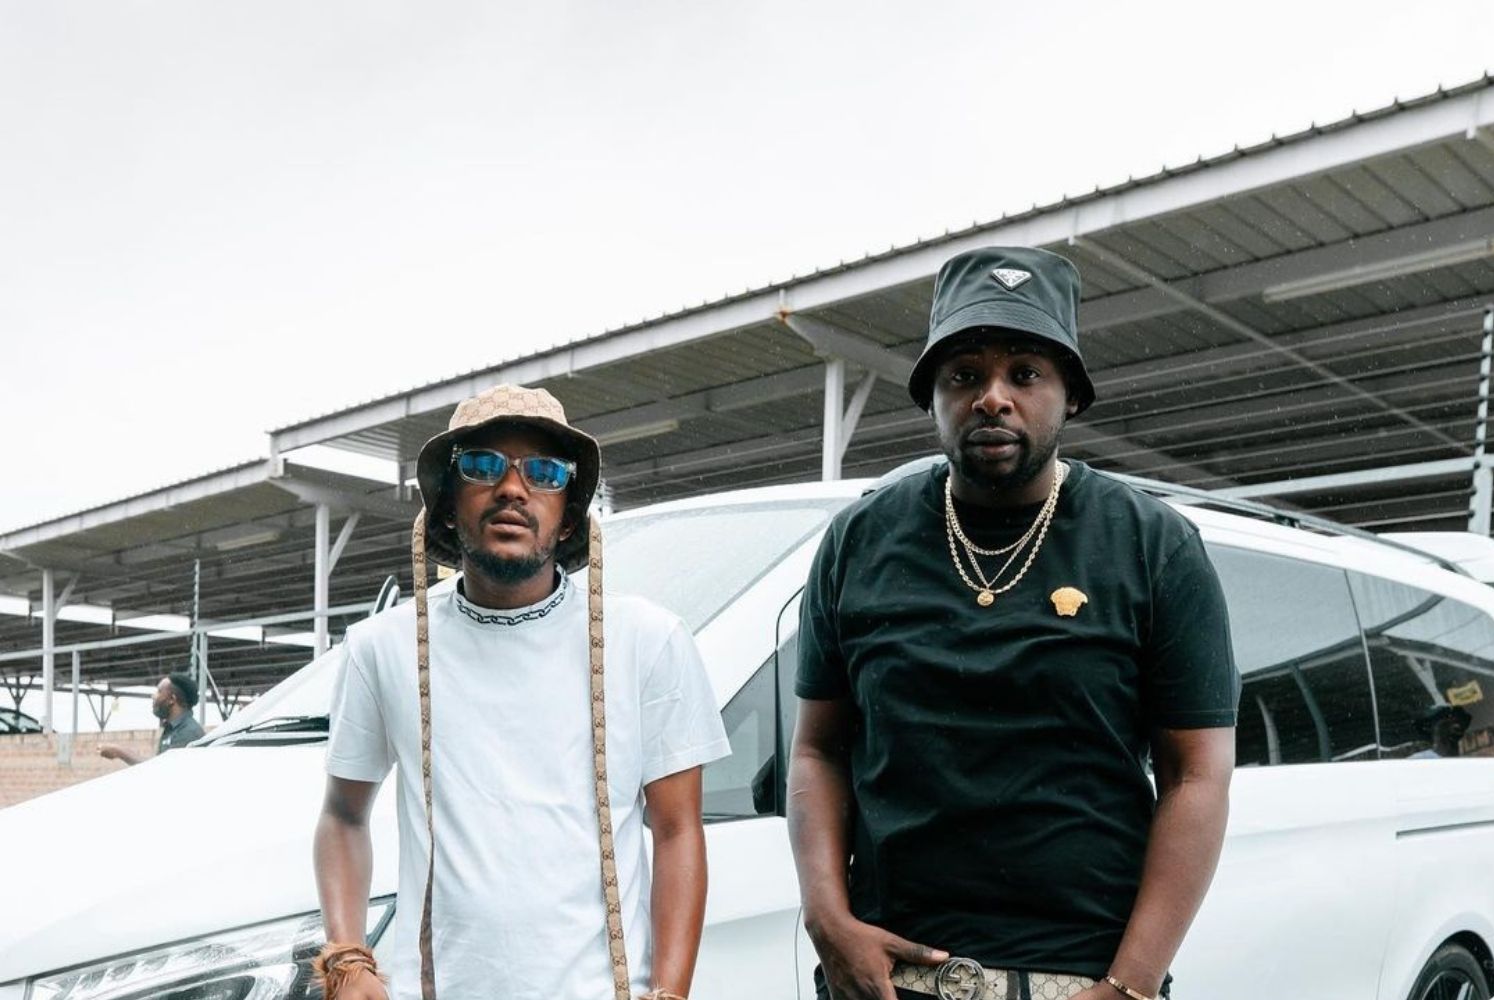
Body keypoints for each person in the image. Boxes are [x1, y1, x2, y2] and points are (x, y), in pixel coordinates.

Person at [788, 247, 1240, 1000]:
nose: (992, 398)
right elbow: (817, 750)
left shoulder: (1152, 545)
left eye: (1025, 374)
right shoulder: (860, 541)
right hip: (891, 977)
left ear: (1071, 396)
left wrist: (1131, 984)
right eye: (964, 376)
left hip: (1082, 977)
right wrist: (827, 918)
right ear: (933, 397)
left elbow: (1197, 775)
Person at [313, 384, 730, 1000]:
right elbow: (343, 816)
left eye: (544, 472)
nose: (513, 488)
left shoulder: (647, 640)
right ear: (447, 506)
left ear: (569, 518)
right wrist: (348, 960)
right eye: (483, 466)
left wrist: (669, 993)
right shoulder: (382, 647)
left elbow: (677, 832)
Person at [98, 672, 205, 764]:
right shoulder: (172, 729)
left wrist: (119, 751)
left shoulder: (188, 732)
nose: (153, 696)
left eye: (159, 691)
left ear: (172, 699)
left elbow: (160, 771)